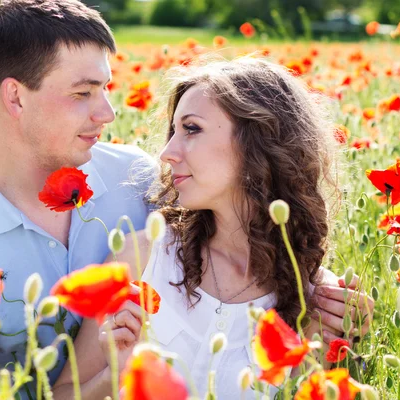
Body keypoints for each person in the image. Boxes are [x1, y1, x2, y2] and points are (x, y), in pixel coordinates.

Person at [0, 1, 367, 398]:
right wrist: (111, 375)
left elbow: (249, 233)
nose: (108, 112)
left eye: (105, 88)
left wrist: (348, 326)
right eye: (83, 92)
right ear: (15, 98)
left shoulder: (141, 180)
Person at [53, 57, 375, 399]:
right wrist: (114, 376)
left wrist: (347, 344)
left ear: (257, 139)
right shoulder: (143, 257)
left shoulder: (315, 300)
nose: (166, 153)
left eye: (191, 129)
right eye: (173, 131)